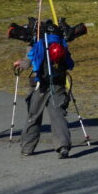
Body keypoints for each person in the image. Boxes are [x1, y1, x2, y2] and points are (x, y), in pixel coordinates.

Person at [14, 20, 77, 159]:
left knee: (34, 115)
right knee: (58, 115)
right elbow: (70, 63)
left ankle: (27, 147)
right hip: (59, 83)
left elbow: (29, 61)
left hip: (40, 85)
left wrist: (20, 64)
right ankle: (63, 146)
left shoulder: (38, 44)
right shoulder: (60, 43)